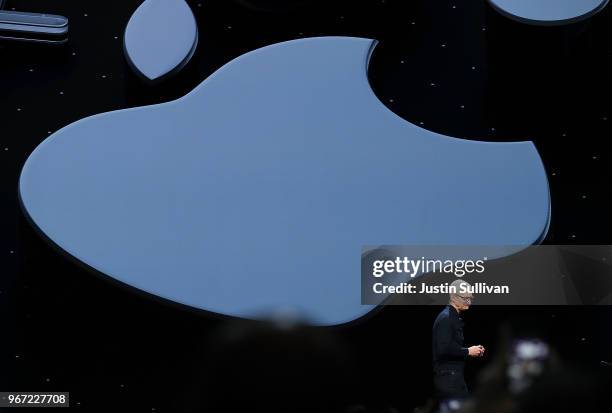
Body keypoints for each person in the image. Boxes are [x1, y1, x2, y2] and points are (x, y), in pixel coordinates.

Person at [432, 279, 485, 402]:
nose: (469, 302)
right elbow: (443, 349)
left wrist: (472, 350)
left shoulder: (452, 317)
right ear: (453, 296)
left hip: (454, 378)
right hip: (448, 380)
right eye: (465, 298)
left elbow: (450, 346)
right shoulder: (446, 318)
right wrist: (468, 351)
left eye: (470, 298)